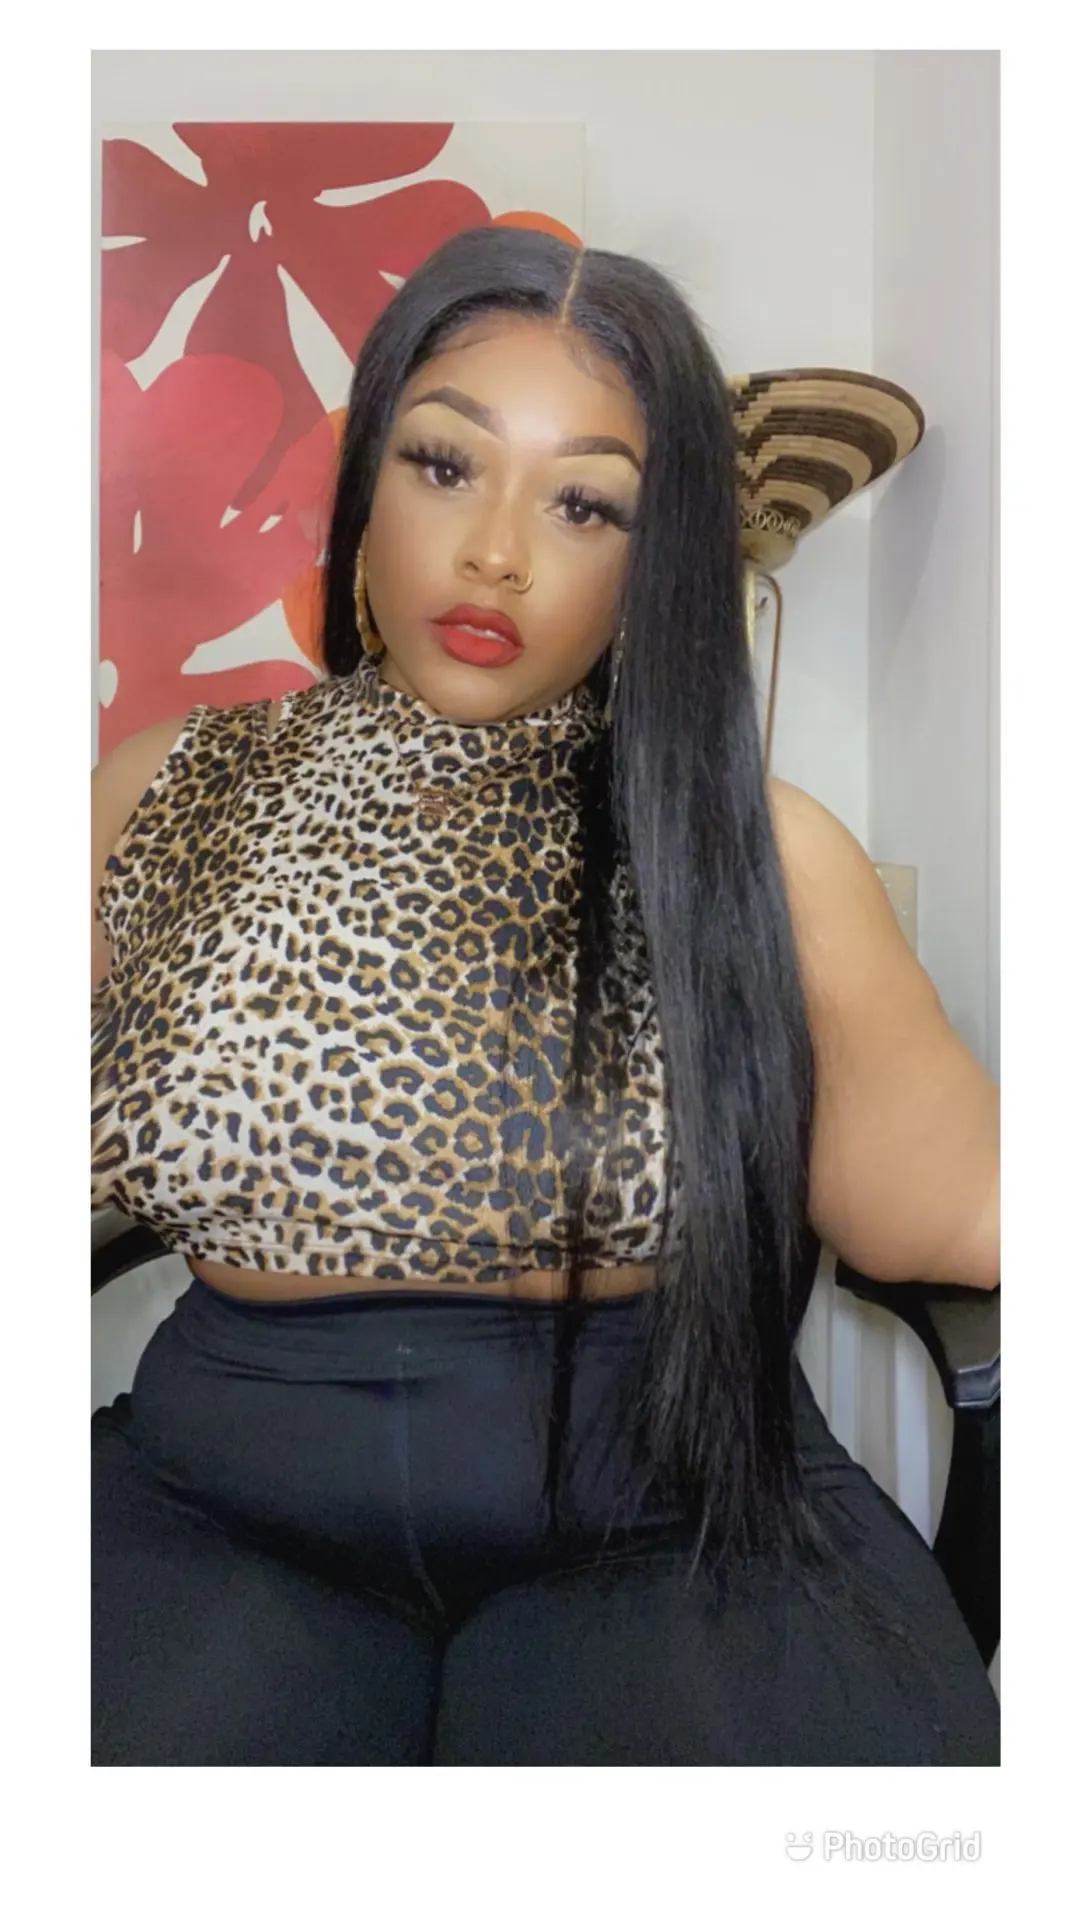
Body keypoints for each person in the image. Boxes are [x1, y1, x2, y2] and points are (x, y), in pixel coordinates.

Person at [91, 225, 1000, 1766]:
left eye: (586, 502)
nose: (497, 552)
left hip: (670, 1524)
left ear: (657, 560)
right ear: (370, 479)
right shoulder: (163, 789)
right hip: (218, 1506)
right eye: (447, 466)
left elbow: (942, 1207)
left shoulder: (755, 846)